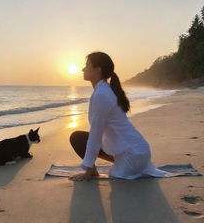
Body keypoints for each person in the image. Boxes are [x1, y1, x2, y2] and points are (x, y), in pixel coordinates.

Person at [69, 51, 168, 181]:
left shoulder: (101, 95)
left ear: (97, 70)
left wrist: (86, 171)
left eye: (87, 65)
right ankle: (97, 168)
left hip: (133, 155)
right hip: (139, 151)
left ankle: (92, 171)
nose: (83, 69)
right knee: (78, 138)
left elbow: (95, 134)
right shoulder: (104, 90)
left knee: (114, 173)